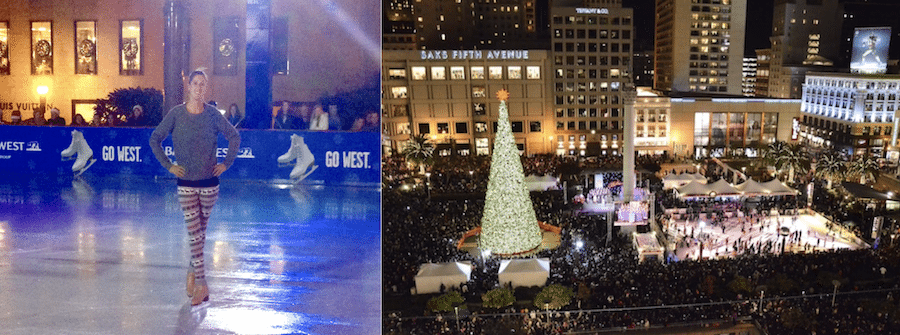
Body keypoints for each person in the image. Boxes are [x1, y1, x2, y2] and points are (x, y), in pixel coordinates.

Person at [149, 69, 241, 306]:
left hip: (209, 184)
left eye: (203, 84)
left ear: (205, 88)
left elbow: (234, 136)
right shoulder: (176, 114)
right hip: (186, 184)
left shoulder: (212, 115)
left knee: (199, 234)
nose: (199, 88)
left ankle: (192, 272)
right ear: (188, 87)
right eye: (195, 83)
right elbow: (155, 138)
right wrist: (169, 166)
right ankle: (202, 285)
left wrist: (226, 163)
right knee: (194, 235)